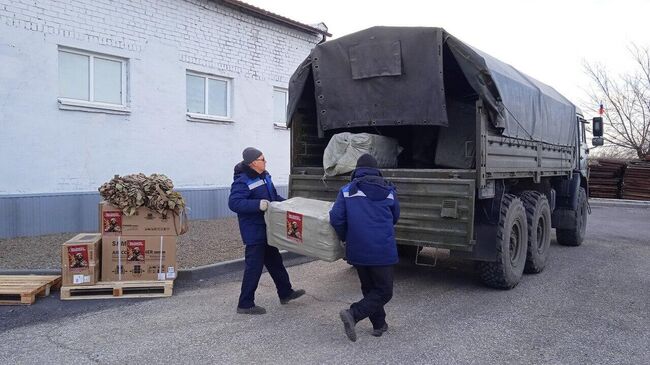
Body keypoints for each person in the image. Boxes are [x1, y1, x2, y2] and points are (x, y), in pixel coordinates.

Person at [329, 154, 400, 341]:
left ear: (357, 170)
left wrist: (346, 237)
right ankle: (353, 314)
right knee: (384, 291)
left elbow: (336, 218)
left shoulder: (346, 191)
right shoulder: (389, 190)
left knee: (369, 288)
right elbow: (395, 216)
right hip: (382, 249)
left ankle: (379, 324)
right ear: (376, 170)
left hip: (357, 249)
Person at [228, 147, 305, 315]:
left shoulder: (265, 176)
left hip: (268, 229)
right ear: (253, 162)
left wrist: (288, 204)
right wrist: (257, 205)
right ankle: (245, 303)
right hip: (254, 231)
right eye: (262, 159)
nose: (265, 161)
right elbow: (234, 203)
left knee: (275, 261)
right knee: (253, 267)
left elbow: (273, 197)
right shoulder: (243, 180)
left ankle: (285, 292)